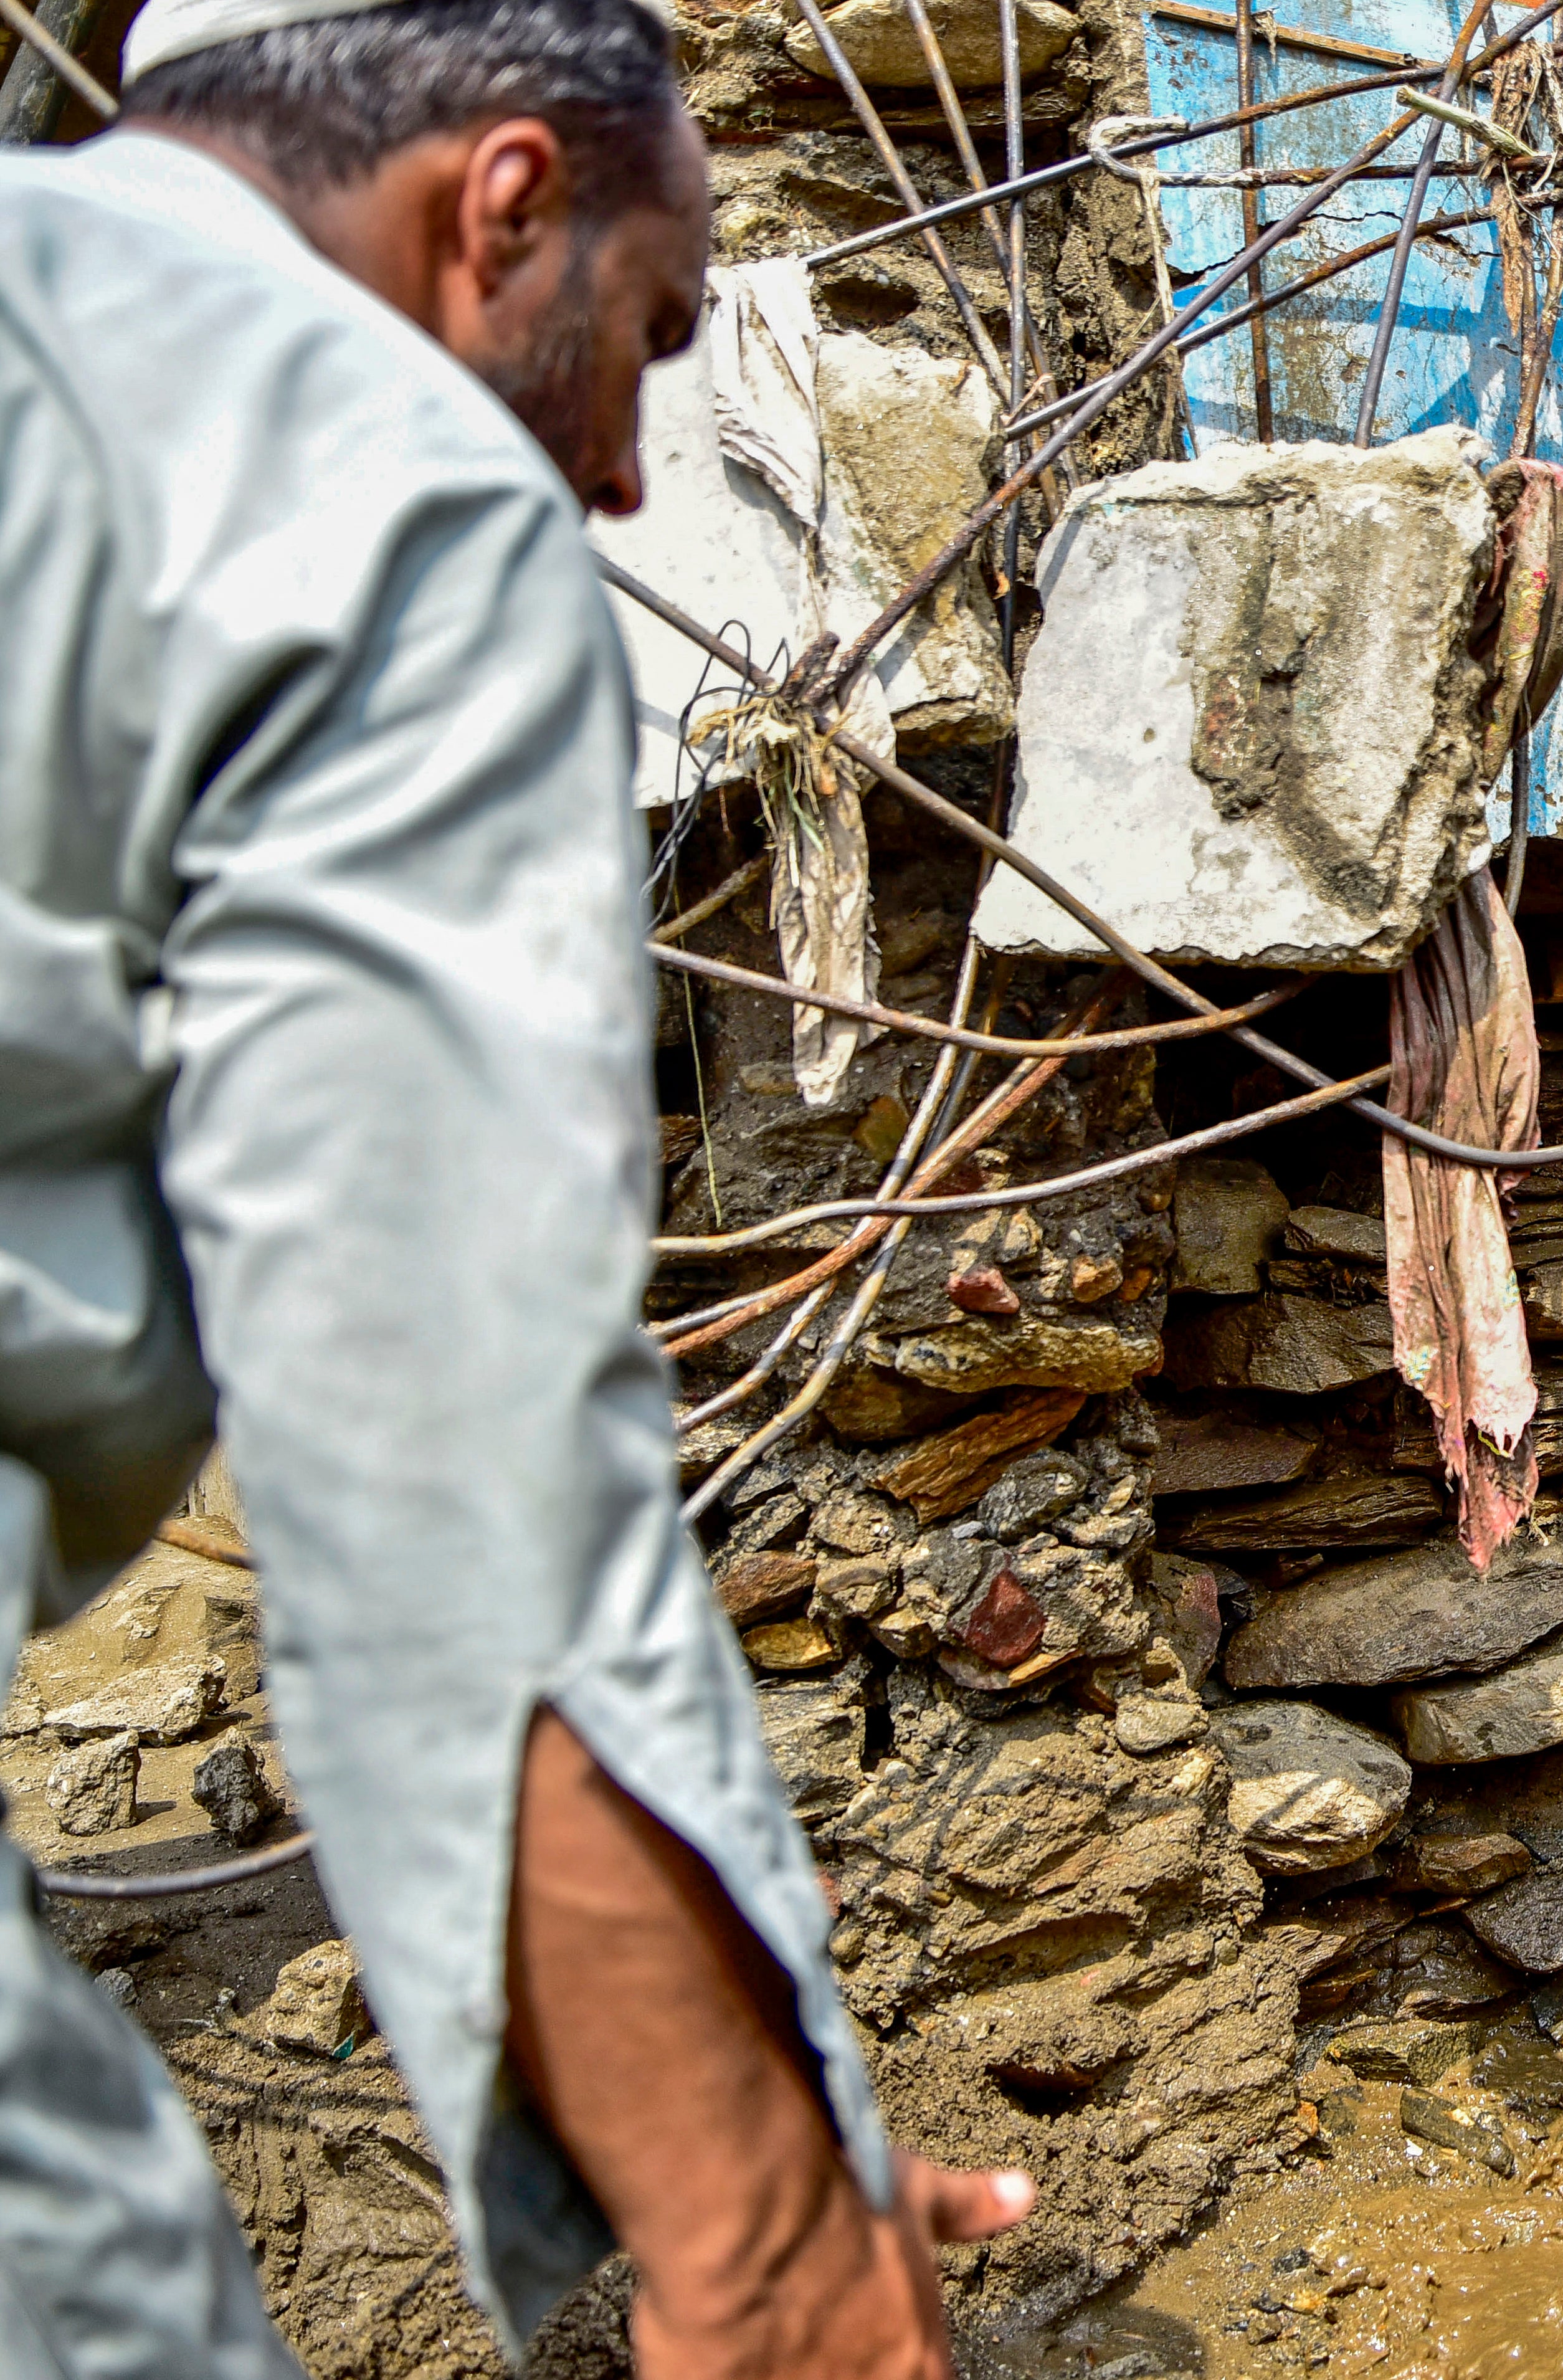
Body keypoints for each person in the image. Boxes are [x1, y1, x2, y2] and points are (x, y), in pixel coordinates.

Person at [0, 2, 1024, 2371]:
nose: (634, 476)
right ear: (502, 207)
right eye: (654, 339)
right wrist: (768, 2245)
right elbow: (446, 1482)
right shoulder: (367, 467)